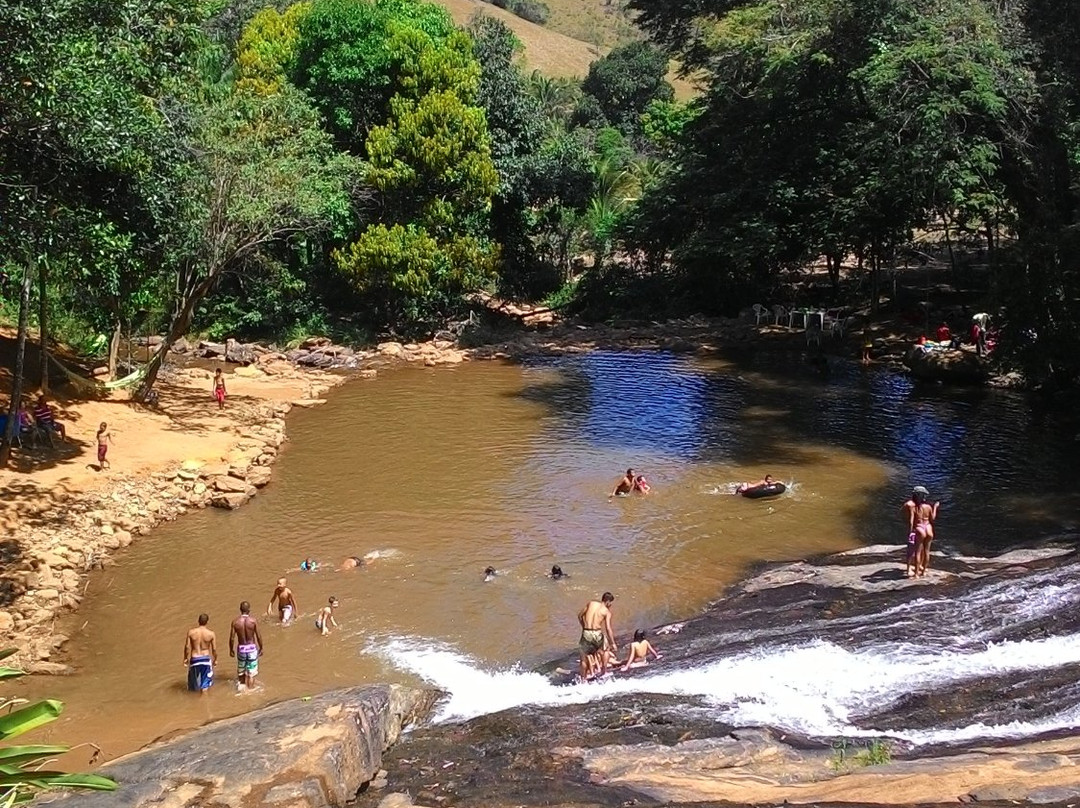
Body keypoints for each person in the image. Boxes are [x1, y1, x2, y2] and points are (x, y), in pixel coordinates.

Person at [902, 486, 940, 578]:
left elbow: (911, 521)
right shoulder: (928, 506)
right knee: (927, 551)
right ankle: (923, 571)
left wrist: (911, 532)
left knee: (918, 552)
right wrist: (935, 507)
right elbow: (933, 518)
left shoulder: (914, 507)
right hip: (928, 527)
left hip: (919, 528)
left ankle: (916, 574)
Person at [577, 592, 616, 681]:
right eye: (610, 603)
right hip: (597, 633)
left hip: (586, 632)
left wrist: (584, 627)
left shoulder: (591, 603)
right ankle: (604, 672)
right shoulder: (606, 611)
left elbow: (579, 616)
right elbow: (608, 628)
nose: (610, 605)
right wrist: (613, 643)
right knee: (606, 650)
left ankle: (583, 680)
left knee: (583, 658)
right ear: (608, 602)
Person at [229, 601, 263, 690]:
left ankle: (242, 689)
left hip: (241, 649)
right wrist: (261, 648)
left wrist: (231, 649)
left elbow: (232, 638)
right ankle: (250, 691)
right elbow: (258, 636)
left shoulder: (235, 622)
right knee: (251, 673)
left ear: (240, 610)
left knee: (241, 672)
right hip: (252, 649)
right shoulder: (253, 621)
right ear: (249, 610)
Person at [183, 613, 217, 693]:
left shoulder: (191, 632)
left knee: (193, 685)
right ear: (207, 622)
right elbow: (214, 649)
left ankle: (193, 702)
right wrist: (215, 659)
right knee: (205, 685)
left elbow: (187, 647)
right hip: (205, 659)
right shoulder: (211, 634)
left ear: (198, 621)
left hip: (194, 659)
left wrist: (185, 658)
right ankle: (204, 702)